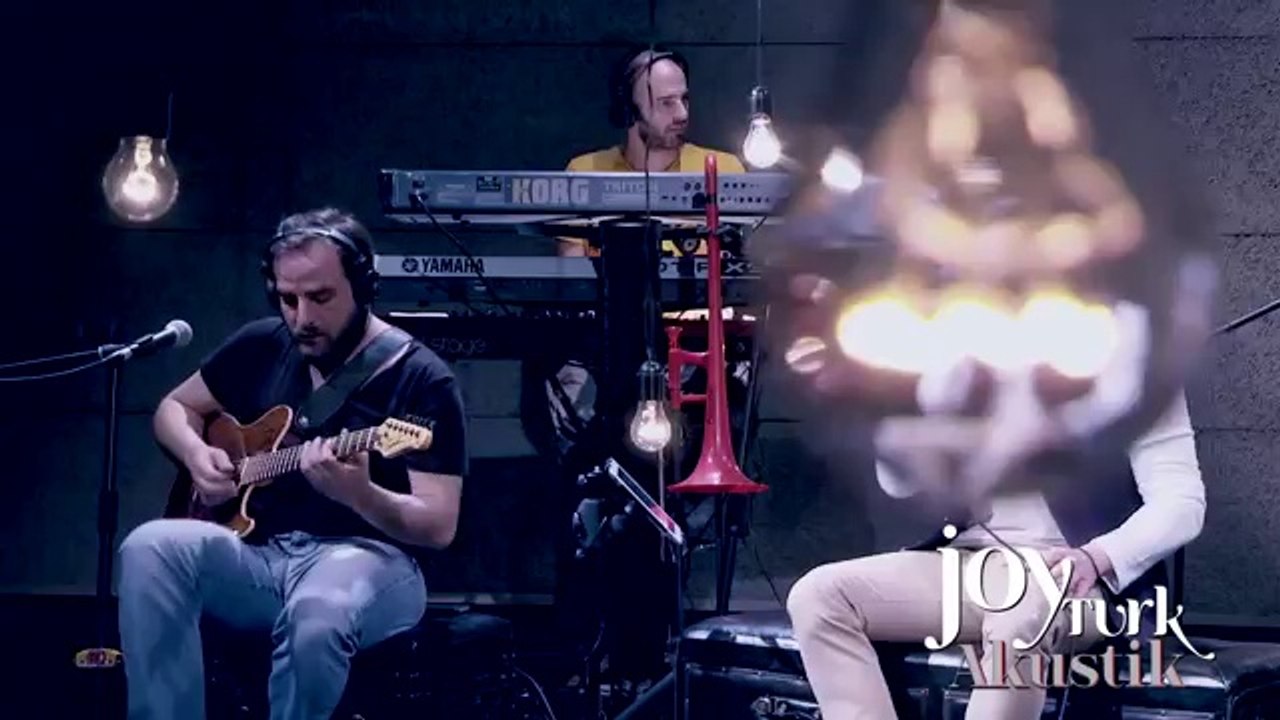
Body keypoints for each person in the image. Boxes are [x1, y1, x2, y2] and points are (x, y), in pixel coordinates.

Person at [117, 207, 468, 720]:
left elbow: (438, 526)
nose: (302, 318)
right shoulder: (263, 343)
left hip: (371, 561)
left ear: (363, 287)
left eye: (320, 298)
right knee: (149, 547)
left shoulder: (420, 378)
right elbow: (175, 408)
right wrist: (197, 455)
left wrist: (362, 495)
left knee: (318, 615)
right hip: (259, 556)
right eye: (288, 299)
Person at [786, 389, 1206, 720]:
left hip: (1080, 574)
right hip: (970, 561)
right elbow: (899, 484)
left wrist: (1098, 556)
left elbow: (1181, 503)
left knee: (1017, 621)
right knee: (820, 596)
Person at [559, 43, 748, 257]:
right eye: (666, 103)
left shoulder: (724, 169)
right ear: (628, 110)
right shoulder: (585, 172)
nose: (683, 114)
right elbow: (573, 274)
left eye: (684, 99)